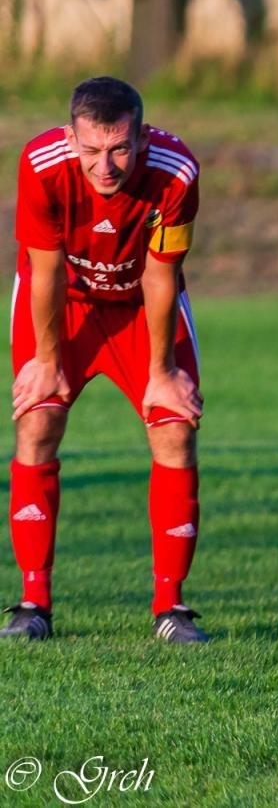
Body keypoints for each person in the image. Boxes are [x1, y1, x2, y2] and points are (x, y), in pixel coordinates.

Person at [4, 77, 208, 644]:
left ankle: (171, 608)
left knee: (174, 431)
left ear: (141, 138)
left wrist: (163, 372)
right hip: (62, 302)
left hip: (140, 307)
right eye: (92, 149)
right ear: (72, 137)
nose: (106, 164)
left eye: (119, 147)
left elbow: (162, 273)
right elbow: (43, 270)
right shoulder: (42, 164)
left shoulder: (176, 171)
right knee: (39, 418)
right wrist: (47, 362)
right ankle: (32, 604)